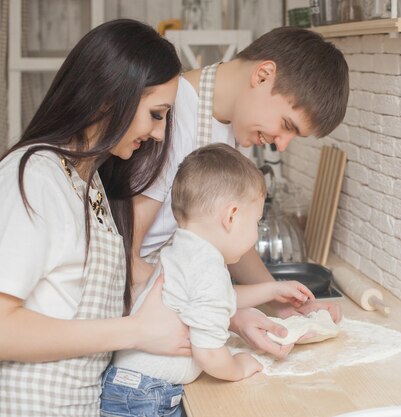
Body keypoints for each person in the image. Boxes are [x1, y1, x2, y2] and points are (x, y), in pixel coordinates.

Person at [0, 19, 190, 416]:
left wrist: (231, 313)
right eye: (156, 114)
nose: (159, 133)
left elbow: (136, 278)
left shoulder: (90, 182)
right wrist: (137, 331)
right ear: (110, 97)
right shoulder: (35, 177)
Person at [132, 27, 351, 358]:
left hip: (181, 313)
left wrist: (284, 307)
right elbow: (124, 255)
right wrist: (228, 313)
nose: (281, 143)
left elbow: (228, 236)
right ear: (263, 75)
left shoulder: (237, 126)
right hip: (141, 324)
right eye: (288, 125)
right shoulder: (169, 116)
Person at [101, 144, 316, 417]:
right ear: (231, 216)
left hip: (128, 388)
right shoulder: (208, 269)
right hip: (149, 397)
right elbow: (209, 354)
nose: (254, 234)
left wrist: (272, 290)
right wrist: (238, 367)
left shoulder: (185, 249)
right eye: (256, 222)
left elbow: (217, 299)